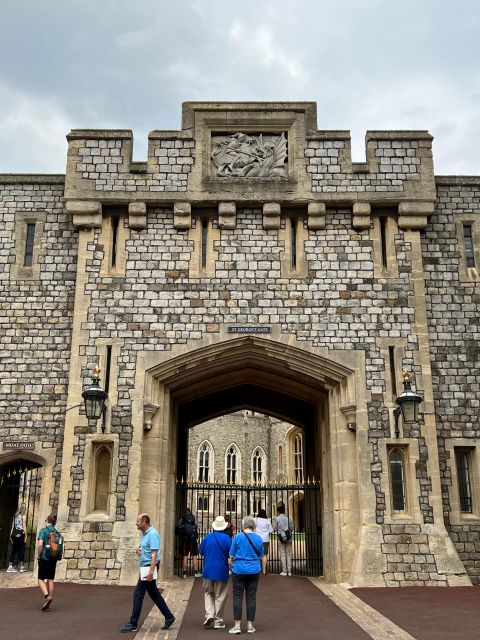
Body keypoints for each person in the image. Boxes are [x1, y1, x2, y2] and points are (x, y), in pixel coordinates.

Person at [120, 513, 175, 633]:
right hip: (146, 566)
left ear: (144, 522)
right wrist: (137, 549)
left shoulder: (153, 534)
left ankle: (133, 623)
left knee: (138, 594)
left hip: (148, 567)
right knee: (154, 593)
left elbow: (154, 554)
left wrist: (151, 572)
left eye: (138, 521)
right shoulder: (145, 534)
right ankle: (169, 616)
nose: (136, 523)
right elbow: (145, 548)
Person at [228, 515, 264, 635]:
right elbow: (261, 554)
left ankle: (237, 625)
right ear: (253, 525)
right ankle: (250, 626)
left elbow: (231, 554)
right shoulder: (258, 538)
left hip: (238, 570)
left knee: (237, 597)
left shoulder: (238, 537)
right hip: (253, 570)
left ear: (243, 525)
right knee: (251, 597)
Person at [199, 515, 232, 630]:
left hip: (208, 570)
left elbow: (201, 552)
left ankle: (209, 615)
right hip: (221, 571)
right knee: (220, 595)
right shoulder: (227, 539)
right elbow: (231, 554)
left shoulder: (207, 538)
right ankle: (218, 620)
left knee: (208, 593)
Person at [37, 513, 62, 610]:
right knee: (50, 579)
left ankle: (47, 597)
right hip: (53, 557)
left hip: (44, 557)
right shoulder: (57, 532)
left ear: (47, 520)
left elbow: (40, 545)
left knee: (41, 579)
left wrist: (39, 555)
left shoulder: (43, 531)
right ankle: (49, 603)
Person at [178, 508, 201, 578]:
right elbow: (196, 526)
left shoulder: (182, 519)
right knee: (194, 556)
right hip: (193, 539)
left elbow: (179, 528)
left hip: (185, 539)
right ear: (190, 512)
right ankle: (196, 572)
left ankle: (184, 573)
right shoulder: (193, 518)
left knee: (185, 556)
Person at [7, 503, 27, 573]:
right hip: (20, 534)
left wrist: (10, 535)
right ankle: (22, 567)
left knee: (14, 550)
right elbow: (24, 526)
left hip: (14, 535)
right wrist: (26, 536)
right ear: (24, 509)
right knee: (21, 549)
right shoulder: (23, 516)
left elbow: (13, 526)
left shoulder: (15, 516)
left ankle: (10, 566)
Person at [276, 505, 293, 576]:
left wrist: (280, 532)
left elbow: (274, 528)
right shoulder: (288, 518)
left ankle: (284, 571)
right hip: (288, 538)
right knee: (289, 554)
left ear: (278, 511)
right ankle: (289, 571)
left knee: (283, 554)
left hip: (281, 538)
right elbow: (291, 528)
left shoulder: (277, 519)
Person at [254, 508, 273, 575]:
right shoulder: (268, 521)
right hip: (265, 539)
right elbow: (271, 530)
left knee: (256, 554)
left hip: (257, 539)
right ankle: (264, 571)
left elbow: (253, 529)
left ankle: (257, 570)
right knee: (264, 555)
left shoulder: (255, 520)